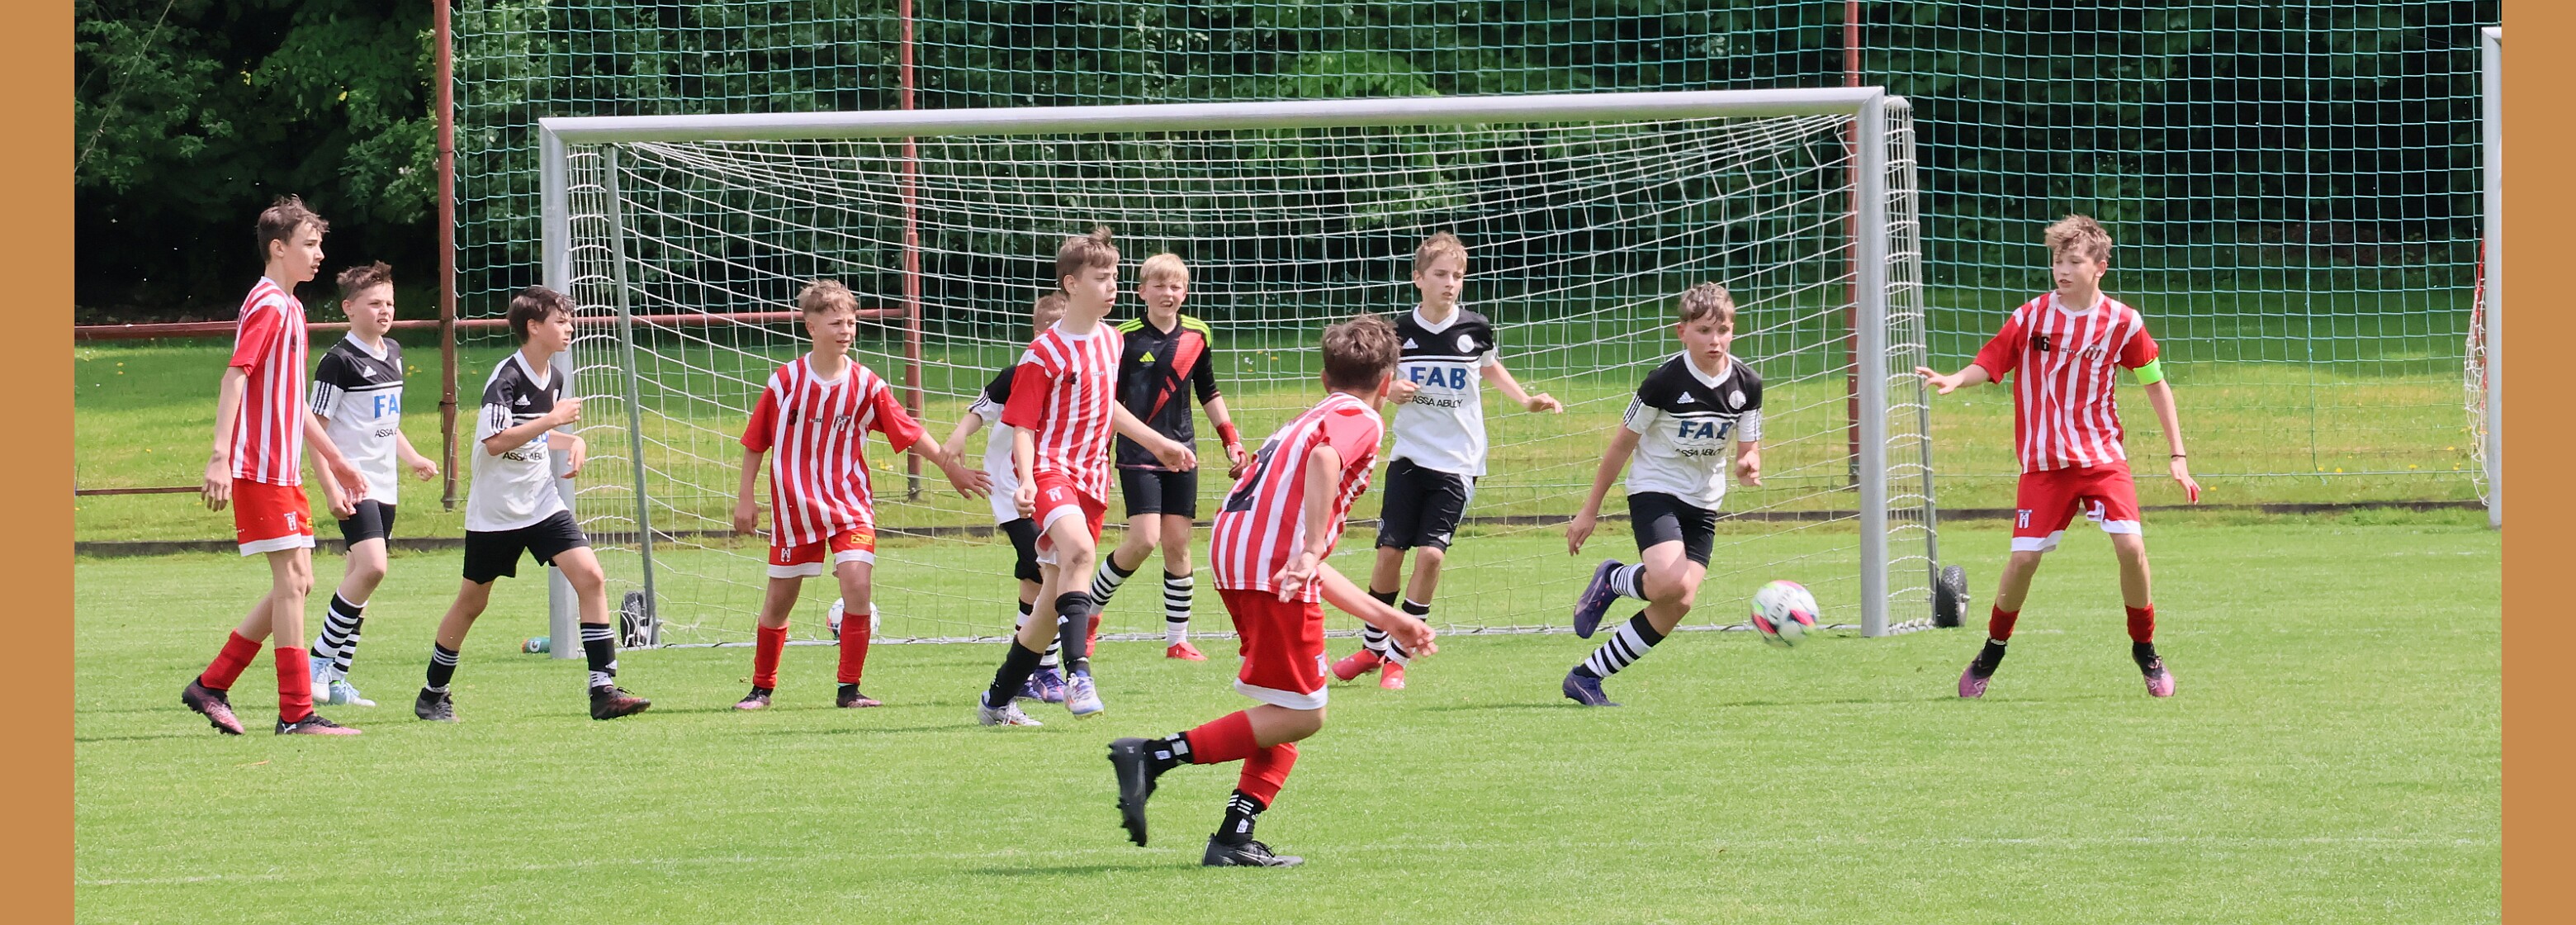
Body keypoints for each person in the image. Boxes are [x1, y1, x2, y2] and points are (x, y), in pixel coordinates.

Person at [1107, 313, 1437, 866]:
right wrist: (1311, 548)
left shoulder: (1308, 417)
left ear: (1325, 377)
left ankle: (1233, 837)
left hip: (1238, 552)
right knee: (1305, 713)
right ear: (1387, 382)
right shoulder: (1360, 418)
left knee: (1285, 705)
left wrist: (1391, 619)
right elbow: (1326, 462)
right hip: (1271, 563)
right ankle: (1153, 756)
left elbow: (1308, 558)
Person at [1915, 214, 2200, 699]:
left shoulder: (2123, 322)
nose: (2062, 270)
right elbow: (1992, 360)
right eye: (2057, 261)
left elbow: (2156, 385)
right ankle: (1991, 652)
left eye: (2074, 262)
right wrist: (1957, 378)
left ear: (2099, 268)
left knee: (2131, 548)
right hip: (2045, 464)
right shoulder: (2031, 317)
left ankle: (2145, 650)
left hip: (2101, 457)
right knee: (2024, 560)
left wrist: (2178, 455)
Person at [972, 226, 1196, 726]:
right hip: (1050, 470)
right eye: (1101, 277)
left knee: (1048, 605)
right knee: (1079, 553)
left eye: (1114, 275)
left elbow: (1106, 407)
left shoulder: (1111, 342)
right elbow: (1022, 424)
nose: (1112, 285)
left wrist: (1158, 443)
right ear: (1072, 284)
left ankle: (996, 700)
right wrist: (1026, 480)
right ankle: (1079, 675)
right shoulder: (1043, 353)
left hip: (1091, 477)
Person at [730, 280, 987, 710]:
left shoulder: (866, 383)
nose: (846, 330)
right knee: (779, 601)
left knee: (857, 584)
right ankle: (761, 689)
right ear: (811, 327)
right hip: (796, 508)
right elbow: (756, 442)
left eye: (850, 322)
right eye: (836, 323)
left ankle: (849, 689)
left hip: (850, 504)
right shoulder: (786, 382)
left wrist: (951, 467)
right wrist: (745, 498)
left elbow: (909, 431)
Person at [1335, 231, 1561, 690]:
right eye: (1440, 274)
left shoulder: (1475, 329)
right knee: (1389, 552)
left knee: (1432, 556)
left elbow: (1489, 366)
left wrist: (1525, 400)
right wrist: (1389, 391)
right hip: (1409, 456)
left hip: (1459, 462)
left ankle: (1399, 656)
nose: (1450, 283)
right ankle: (1372, 649)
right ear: (1418, 278)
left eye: (1457, 276)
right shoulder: (1397, 333)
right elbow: (1376, 385)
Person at [412, 286, 651, 722]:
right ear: (534, 327)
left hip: (542, 503)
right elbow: (496, 441)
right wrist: (553, 420)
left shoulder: (553, 377)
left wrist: (571, 439)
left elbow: (536, 433)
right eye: (561, 321)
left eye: (569, 320)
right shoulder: (506, 378)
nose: (569, 328)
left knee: (591, 577)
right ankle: (433, 693)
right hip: (497, 511)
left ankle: (603, 690)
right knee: (472, 603)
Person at [180, 195, 371, 736]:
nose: (319, 254)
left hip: (283, 472)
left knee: (300, 582)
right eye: (310, 244)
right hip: (258, 468)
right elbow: (235, 376)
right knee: (290, 581)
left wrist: (337, 461)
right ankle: (296, 713)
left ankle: (212, 685)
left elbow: (292, 402)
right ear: (279, 248)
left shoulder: (292, 307)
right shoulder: (267, 303)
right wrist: (221, 457)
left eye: (319, 244)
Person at [1563, 283, 1764, 706]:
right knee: (1670, 582)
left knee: (1679, 601)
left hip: (1704, 502)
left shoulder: (1748, 383)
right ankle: (1615, 579)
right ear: (1682, 332)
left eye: (1723, 330)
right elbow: (1621, 445)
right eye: (1704, 330)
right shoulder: (1664, 381)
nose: (1715, 340)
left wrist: (1749, 465)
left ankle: (1587, 677)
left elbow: (1749, 449)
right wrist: (1589, 510)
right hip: (1656, 489)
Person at [1088, 253, 1249, 662]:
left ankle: (1178, 640)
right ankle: (1088, 614)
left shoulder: (1198, 334)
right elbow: (1110, 402)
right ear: (1142, 291)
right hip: (1137, 452)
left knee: (1178, 546)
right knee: (1143, 540)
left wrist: (1231, 439)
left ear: (1186, 292)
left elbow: (1208, 390)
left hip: (1183, 454)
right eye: (1159, 286)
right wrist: (1100, 453)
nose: (1168, 293)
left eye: (1176, 286)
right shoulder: (1121, 337)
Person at [305, 261, 440, 708]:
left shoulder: (394, 352)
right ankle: (316, 661)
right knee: (373, 569)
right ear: (349, 308)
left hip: (385, 485)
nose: (385, 311)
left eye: (389, 303)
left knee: (359, 581)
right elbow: (316, 432)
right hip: (354, 485)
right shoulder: (338, 362)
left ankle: (336, 680)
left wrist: (413, 457)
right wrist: (331, 488)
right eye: (374, 303)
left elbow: (386, 421)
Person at [938, 292, 1072, 703]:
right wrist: (958, 436)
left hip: (1053, 485)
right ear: (1037, 334)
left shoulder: (1076, 377)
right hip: (1011, 489)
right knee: (1047, 568)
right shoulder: (1019, 373)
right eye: (1049, 332)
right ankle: (1044, 670)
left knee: (1037, 574)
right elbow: (982, 409)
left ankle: (1030, 671)